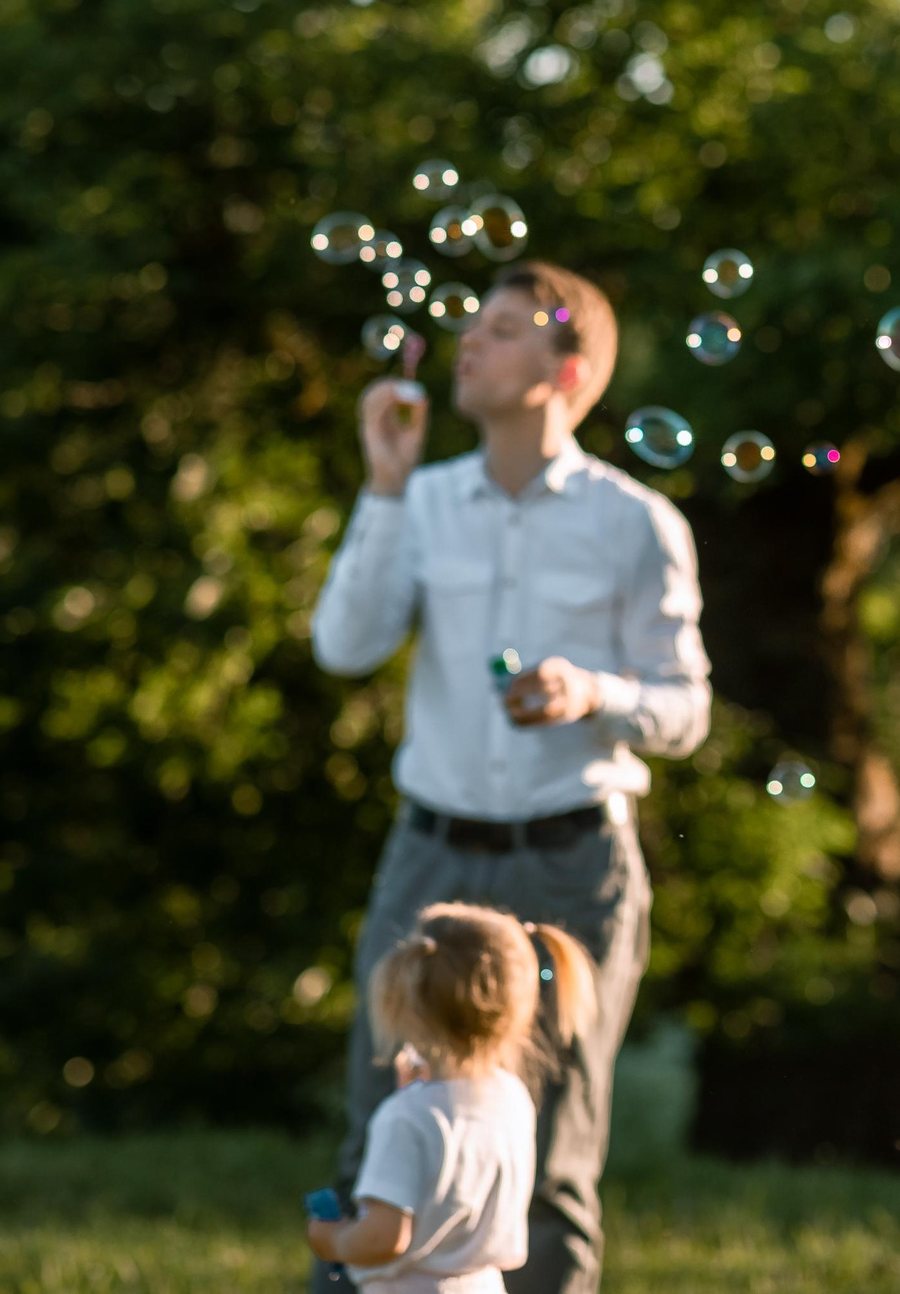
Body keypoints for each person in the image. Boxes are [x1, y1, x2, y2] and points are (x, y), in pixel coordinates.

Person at [311, 260, 712, 1294]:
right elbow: (345, 646)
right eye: (470, 325)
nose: (469, 343)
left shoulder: (635, 522)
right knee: (378, 1123)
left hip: (571, 863)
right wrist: (385, 485)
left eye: (499, 328)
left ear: (565, 368)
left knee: (553, 1154)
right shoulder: (425, 499)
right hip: (430, 858)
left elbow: (685, 709)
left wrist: (595, 692)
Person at [306, 903, 596, 1294]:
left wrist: (334, 1239)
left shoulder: (404, 1118)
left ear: (406, 999)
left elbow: (382, 1238)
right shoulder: (512, 1098)